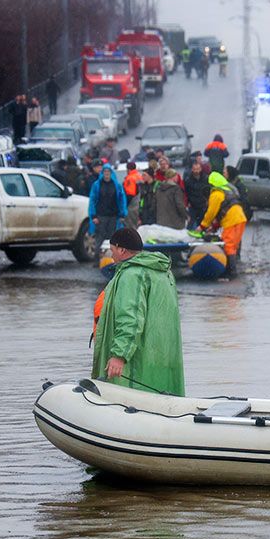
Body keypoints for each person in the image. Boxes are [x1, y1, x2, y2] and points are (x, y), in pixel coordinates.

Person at [91, 226, 185, 396]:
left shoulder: (132, 275)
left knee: (132, 395)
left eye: (112, 251)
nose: (111, 256)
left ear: (122, 250)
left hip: (138, 362)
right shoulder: (163, 272)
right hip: (161, 356)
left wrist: (119, 355)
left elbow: (131, 319)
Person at [199, 171, 247, 277]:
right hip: (240, 218)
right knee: (234, 245)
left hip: (232, 220)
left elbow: (211, 213)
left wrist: (203, 226)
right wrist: (215, 226)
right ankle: (233, 268)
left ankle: (230, 272)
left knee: (229, 245)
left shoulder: (216, 194)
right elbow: (223, 211)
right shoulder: (228, 191)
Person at [87, 164, 127, 264]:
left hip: (113, 216)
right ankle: (97, 260)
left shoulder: (117, 185)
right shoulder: (97, 185)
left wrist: (122, 214)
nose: (106, 174)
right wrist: (93, 216)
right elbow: (92, 200)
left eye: (108, 172)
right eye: (105, 172)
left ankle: (111, 260)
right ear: (102, 173)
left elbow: (122, 200)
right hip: (101, 216)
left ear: (111, 173)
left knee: (112, 239)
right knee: (99, 238)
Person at [184, 160, 211, 228]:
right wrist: (188, 203)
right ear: (192, 169)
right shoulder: (188, 180)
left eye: (198, 169)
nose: (196, 171)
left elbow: (209, 191)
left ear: (201, 169)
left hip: (203, 205)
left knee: (203, 225)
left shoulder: (206, 179)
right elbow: (186, 192)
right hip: (193, 206)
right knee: (191, 226)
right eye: (195, 169)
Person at [122, 161, 145, 228]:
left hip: (132, 206)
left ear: (128, 169)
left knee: (130, 226)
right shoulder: (139, 176)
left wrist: (125, 206)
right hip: (139, 204)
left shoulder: (130, 178)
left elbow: (130, 194)